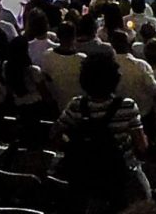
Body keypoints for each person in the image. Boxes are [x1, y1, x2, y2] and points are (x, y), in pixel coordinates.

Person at [54, 52, 150, 213]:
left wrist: (74, 147)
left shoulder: (76, 105)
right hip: (123, 173)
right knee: (145, 199)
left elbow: (55, 135)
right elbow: (141, 146)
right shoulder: (127, 106)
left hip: (86, 173)